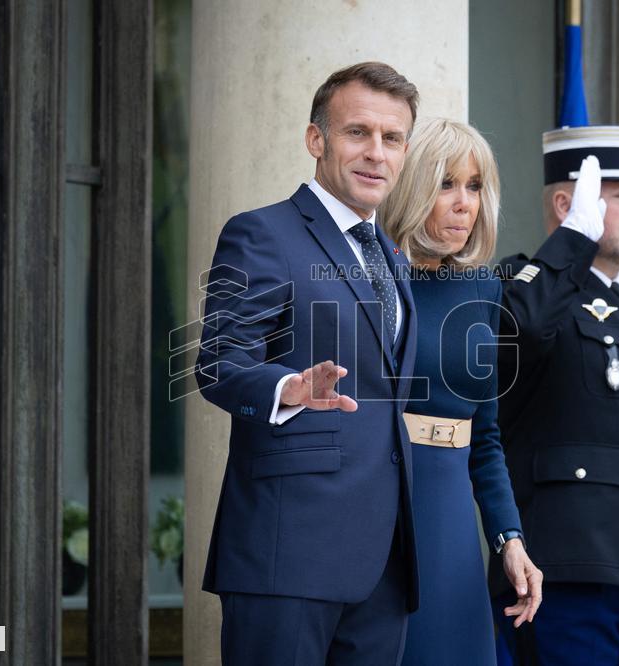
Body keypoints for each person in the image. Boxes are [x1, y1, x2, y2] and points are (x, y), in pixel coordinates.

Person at [195, 62, 421, 665]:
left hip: (384, 564)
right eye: (357, 133)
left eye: (391, 138)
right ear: (316, 140)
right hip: (286, 555)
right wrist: (288, 386)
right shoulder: (261, 233)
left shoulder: (393, 258)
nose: (376, 153)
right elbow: (217, 362)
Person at [491, 125, 619, 665]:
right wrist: (573, 242)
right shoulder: (526, 286)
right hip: (568, 577)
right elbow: (524, 329)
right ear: (568, 204)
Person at [378, 118, 542, 665]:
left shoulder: (483, 287)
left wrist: (508, 539)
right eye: (446, 183)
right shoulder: (373, 278)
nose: (463, 202)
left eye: (474, 187)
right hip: (382, 510)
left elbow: (487, 437)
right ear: (414, 186)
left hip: (453, 522)